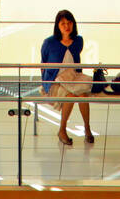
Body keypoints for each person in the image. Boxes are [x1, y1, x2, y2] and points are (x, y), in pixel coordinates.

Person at [40, 10, 95, 147]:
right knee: (70, 96)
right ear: (57, 25)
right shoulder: (49, 42)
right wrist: (46, 84)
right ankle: (62, 130)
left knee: (83, 95)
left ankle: (87, 128)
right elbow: (43, 63)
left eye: (69, 23)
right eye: (63, 23)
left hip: (73, 78)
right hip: (54, 81)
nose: (66, 26)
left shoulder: (78, 41)